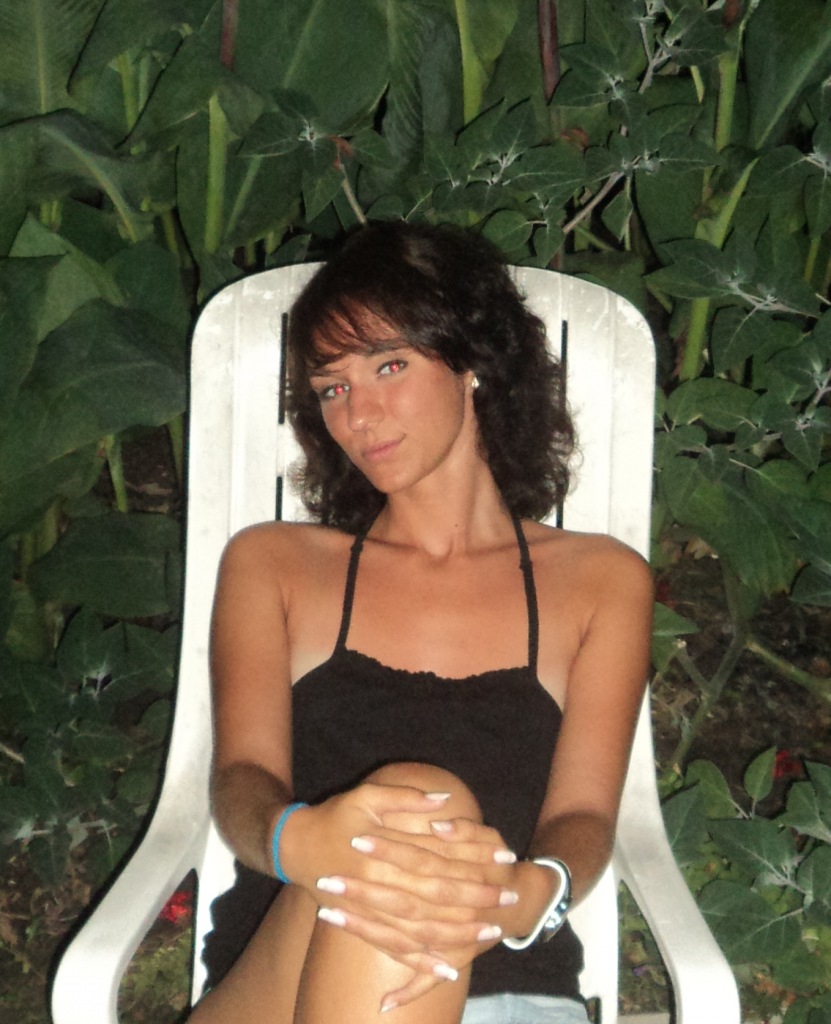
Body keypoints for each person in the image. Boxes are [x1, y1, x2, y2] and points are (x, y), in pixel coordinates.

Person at [191, 221, 653, 1024]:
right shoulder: (274, 565)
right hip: (282, 978)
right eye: (332, 388)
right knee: (414, 807)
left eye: (388, 366)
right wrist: (300, 842)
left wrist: (527, 893)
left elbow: (582, 815)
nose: (358, 414)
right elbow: (242, 777)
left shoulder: (599, 583)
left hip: (508, 979)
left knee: (416, 814)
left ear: (471, 363)